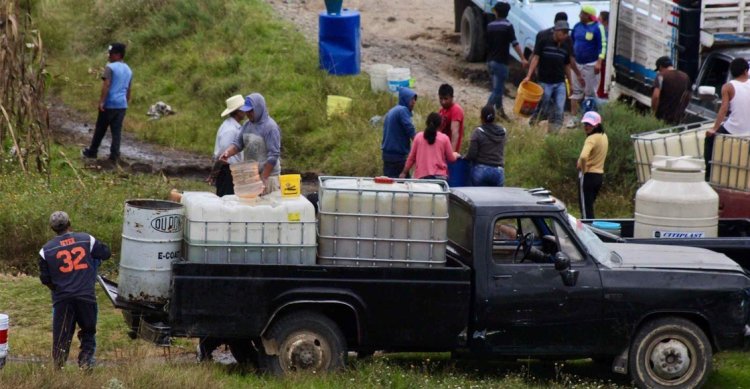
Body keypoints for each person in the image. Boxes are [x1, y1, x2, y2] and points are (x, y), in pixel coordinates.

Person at [38, 211, 111, 369]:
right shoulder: (87, 239)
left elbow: (45, 279)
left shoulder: (46, 250)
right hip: (86, 295)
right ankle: (86, 363)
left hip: (62, 299)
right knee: (88, 331)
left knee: (62, 336)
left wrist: (57, 289)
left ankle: (58, 369)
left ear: (52, 228)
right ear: (69, 223)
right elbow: (106, 253)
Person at [220, 93, 281, 195]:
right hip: (252, 176)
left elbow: (273, 155)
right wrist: (227, 153)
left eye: (251, 110)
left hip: (269, 178)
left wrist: (264, 178)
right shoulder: (247, 125)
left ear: (259, 108)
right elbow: (238, 144)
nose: (248, 113)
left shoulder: (270, 127)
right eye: (246, 111)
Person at [82, 42, 133, 162]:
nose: (109, 56)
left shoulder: (110, 67)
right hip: (121, 105)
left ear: (118, 55)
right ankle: (115, 155)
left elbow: (107, 85)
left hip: (110, 103)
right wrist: (126, 102)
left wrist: (101, 101)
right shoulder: (129, 70)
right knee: (116, 131)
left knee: (100, 128)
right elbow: (129, 88)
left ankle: (92, 151)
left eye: (111, 53)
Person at [525, 21, 577, 133]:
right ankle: (534, 120)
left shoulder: (566, 45)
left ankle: (553, 134)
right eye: (564, 32)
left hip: (560, 83)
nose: (566, 35)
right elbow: (536, 58)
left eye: (567, 32)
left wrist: (571, 83)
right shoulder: (544, 41)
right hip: (545, 81)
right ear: (557, 31)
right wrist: (528, 75)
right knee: (544, 105)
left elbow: (567, 65)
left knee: (559, 108)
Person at [705, 58, 750, 181]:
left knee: (710, 139)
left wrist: (714, 128)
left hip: (733, 128)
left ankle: (708, 173)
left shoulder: (728, 87)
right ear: (746, 71)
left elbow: (723, 109)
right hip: (748, 130)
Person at [484, 2, 527, 120]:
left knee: (497, 88)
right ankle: (486, 111)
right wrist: (522, 58)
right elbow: (515, 43)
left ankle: (500, 112)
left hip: (490, 61)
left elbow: (487, 43)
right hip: (501, 62)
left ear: (496, 12)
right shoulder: (508, 26)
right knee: (498, 90)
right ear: (507, 13)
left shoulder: (490, 26)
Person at [568, 6, 607, 128]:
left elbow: (603, 45)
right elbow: (571, 41)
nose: (579, 15)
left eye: (582, 13)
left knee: (590, 94)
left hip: (591, 65)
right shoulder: (577, 26)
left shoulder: (597, 27)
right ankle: (574, 119)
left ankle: (589, 121)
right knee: (575, 92)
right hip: (577, 65)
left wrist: (599, 62)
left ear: (588, 15)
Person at [399, 112, 459, 179]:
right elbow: (451, 159)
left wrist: (404, 172)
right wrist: (455, 154)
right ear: (440, 125)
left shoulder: (418, 137)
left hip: (421, 177)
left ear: (427, 123)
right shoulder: (444, 138)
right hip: (439, 178)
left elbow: (411, 158)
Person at [209, 95, 245, 196]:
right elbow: (224, 154)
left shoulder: (232, 126)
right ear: (238, 111)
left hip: (230, 170)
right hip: (227, 170)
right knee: (227, 200)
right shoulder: (230, 130)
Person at [576, 111, 608, 219]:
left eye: (590, 124)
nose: (586, 126)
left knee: (585, 211)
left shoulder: (591, 139)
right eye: (585, 124)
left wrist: (583, 168)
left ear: (597, 125)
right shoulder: (603, 137)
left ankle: (588, 233)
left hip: (588, 176)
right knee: (589, 207)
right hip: (599, 176)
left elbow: (583, 156)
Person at [466, 106, 507, 186]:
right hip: (498, 171)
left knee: (478, 197)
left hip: (481, 170)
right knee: (496, 198)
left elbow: (472, 155)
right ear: (494, 117)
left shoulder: (478, 132)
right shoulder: (503, 132)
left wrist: (465, 157)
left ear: (481, 118)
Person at [381, 87, 417, 178]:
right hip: (397, 156)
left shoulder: (392, 111)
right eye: (411, 99)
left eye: (415, 100)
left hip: (387, 155)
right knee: (402, 186)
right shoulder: (402, 110)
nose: (414, 102)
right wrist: (419, 142)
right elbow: (410, 128)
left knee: (389, 183)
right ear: (405, 99)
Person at [651, 56, 691, 125]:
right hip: (677, 117)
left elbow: (656, 96)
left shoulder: (661, 76)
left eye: (659, 69)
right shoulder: (685, 76)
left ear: (660, 67)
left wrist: (653, 112)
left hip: (662, 116)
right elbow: (688, 96)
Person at [438, 84, 465, 152]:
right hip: (441, 149)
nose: (443, 102)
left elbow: (455, 133)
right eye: (441, 98)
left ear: (452, 97)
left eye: (446, 99)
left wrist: (452, 153)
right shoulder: (441, 111)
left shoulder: (456, 110)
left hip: (449, 150)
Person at [597, 11, 610, 99]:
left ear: (605, 21)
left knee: (601, 84)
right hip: (602, 61)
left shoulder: (606, 33)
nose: (597, 21)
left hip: (603, 61)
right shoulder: (604, 31)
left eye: (599, 19)